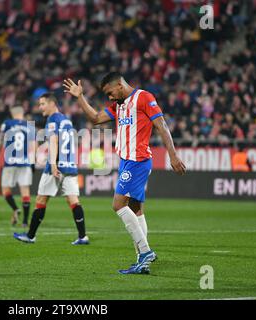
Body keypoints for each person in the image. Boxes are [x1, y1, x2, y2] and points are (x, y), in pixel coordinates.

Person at [63, 73, 186, 274]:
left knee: (118, 205)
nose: (110, 97)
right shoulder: (118, 105)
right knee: (136, 209)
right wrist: (80, 97)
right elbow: (95, 118)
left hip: (137, 161)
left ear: (120, 85)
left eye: (110, 92)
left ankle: (145, 252)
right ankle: (141, 261)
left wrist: (173, 156)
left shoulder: (144, 97)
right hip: (126, 161)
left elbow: (161, 125)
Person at [13, 93, 89, 245]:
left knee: (41, 199)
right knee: (73, 200)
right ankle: (82, 237)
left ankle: (30, 235)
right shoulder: (66, 120)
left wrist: (53, 165)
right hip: (70, 165)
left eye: (42, 104)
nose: (40, 107)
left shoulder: (53, 119)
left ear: (52, 103)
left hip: (56, 165)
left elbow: (54, 142)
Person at [0, 106, 36, 227]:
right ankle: (25, 222)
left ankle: (16, 209)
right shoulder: (30, 126)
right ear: (22, 114)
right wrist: (33, 162)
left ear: (12, 113)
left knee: (5, 190)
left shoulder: (7, 123)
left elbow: (1, 140)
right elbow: (33, 146)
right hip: (25, 162)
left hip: (10, 162)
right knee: (25, 192)